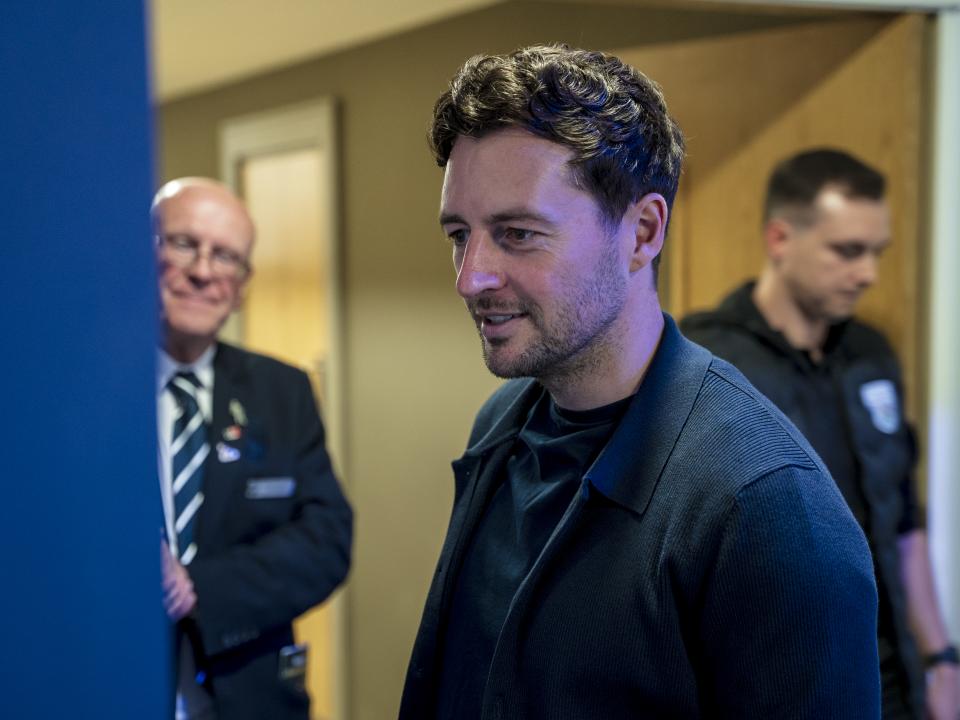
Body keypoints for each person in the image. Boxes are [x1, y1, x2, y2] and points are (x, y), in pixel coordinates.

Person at [400, 45, 880, 719]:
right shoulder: (502, 424)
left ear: (642, 231)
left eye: (517, 233)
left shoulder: (765, 507)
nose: (470, 276)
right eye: (460, 234)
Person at [681, 148, 960, 720]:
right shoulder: (706, 359)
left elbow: (903, 520)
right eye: (848, 251)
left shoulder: (871, 353)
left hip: (891, 679)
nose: (869, 274)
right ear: (780, 239)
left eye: (876, 253)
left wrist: (941, 660)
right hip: (778, 683)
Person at [153, 178, 352, 720]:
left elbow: (327, 542)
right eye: (183, 244)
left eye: (226, 257)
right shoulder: (87, 393)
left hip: (249, 693)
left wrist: (196, 587)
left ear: (242, 285)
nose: (203, 271)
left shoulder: (280, 392)